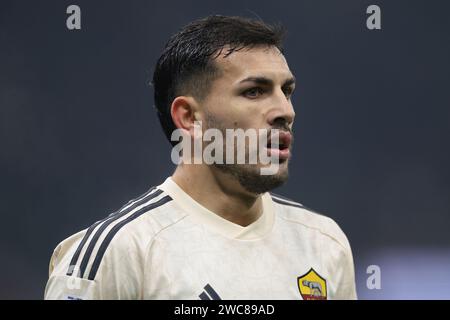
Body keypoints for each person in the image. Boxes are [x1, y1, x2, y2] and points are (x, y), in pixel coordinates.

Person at [44, 15, 357, 300]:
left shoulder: (324, 242)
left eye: (286, 91)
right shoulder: (121, 252)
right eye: (254, 91)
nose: (285, 111)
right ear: (189, 117)